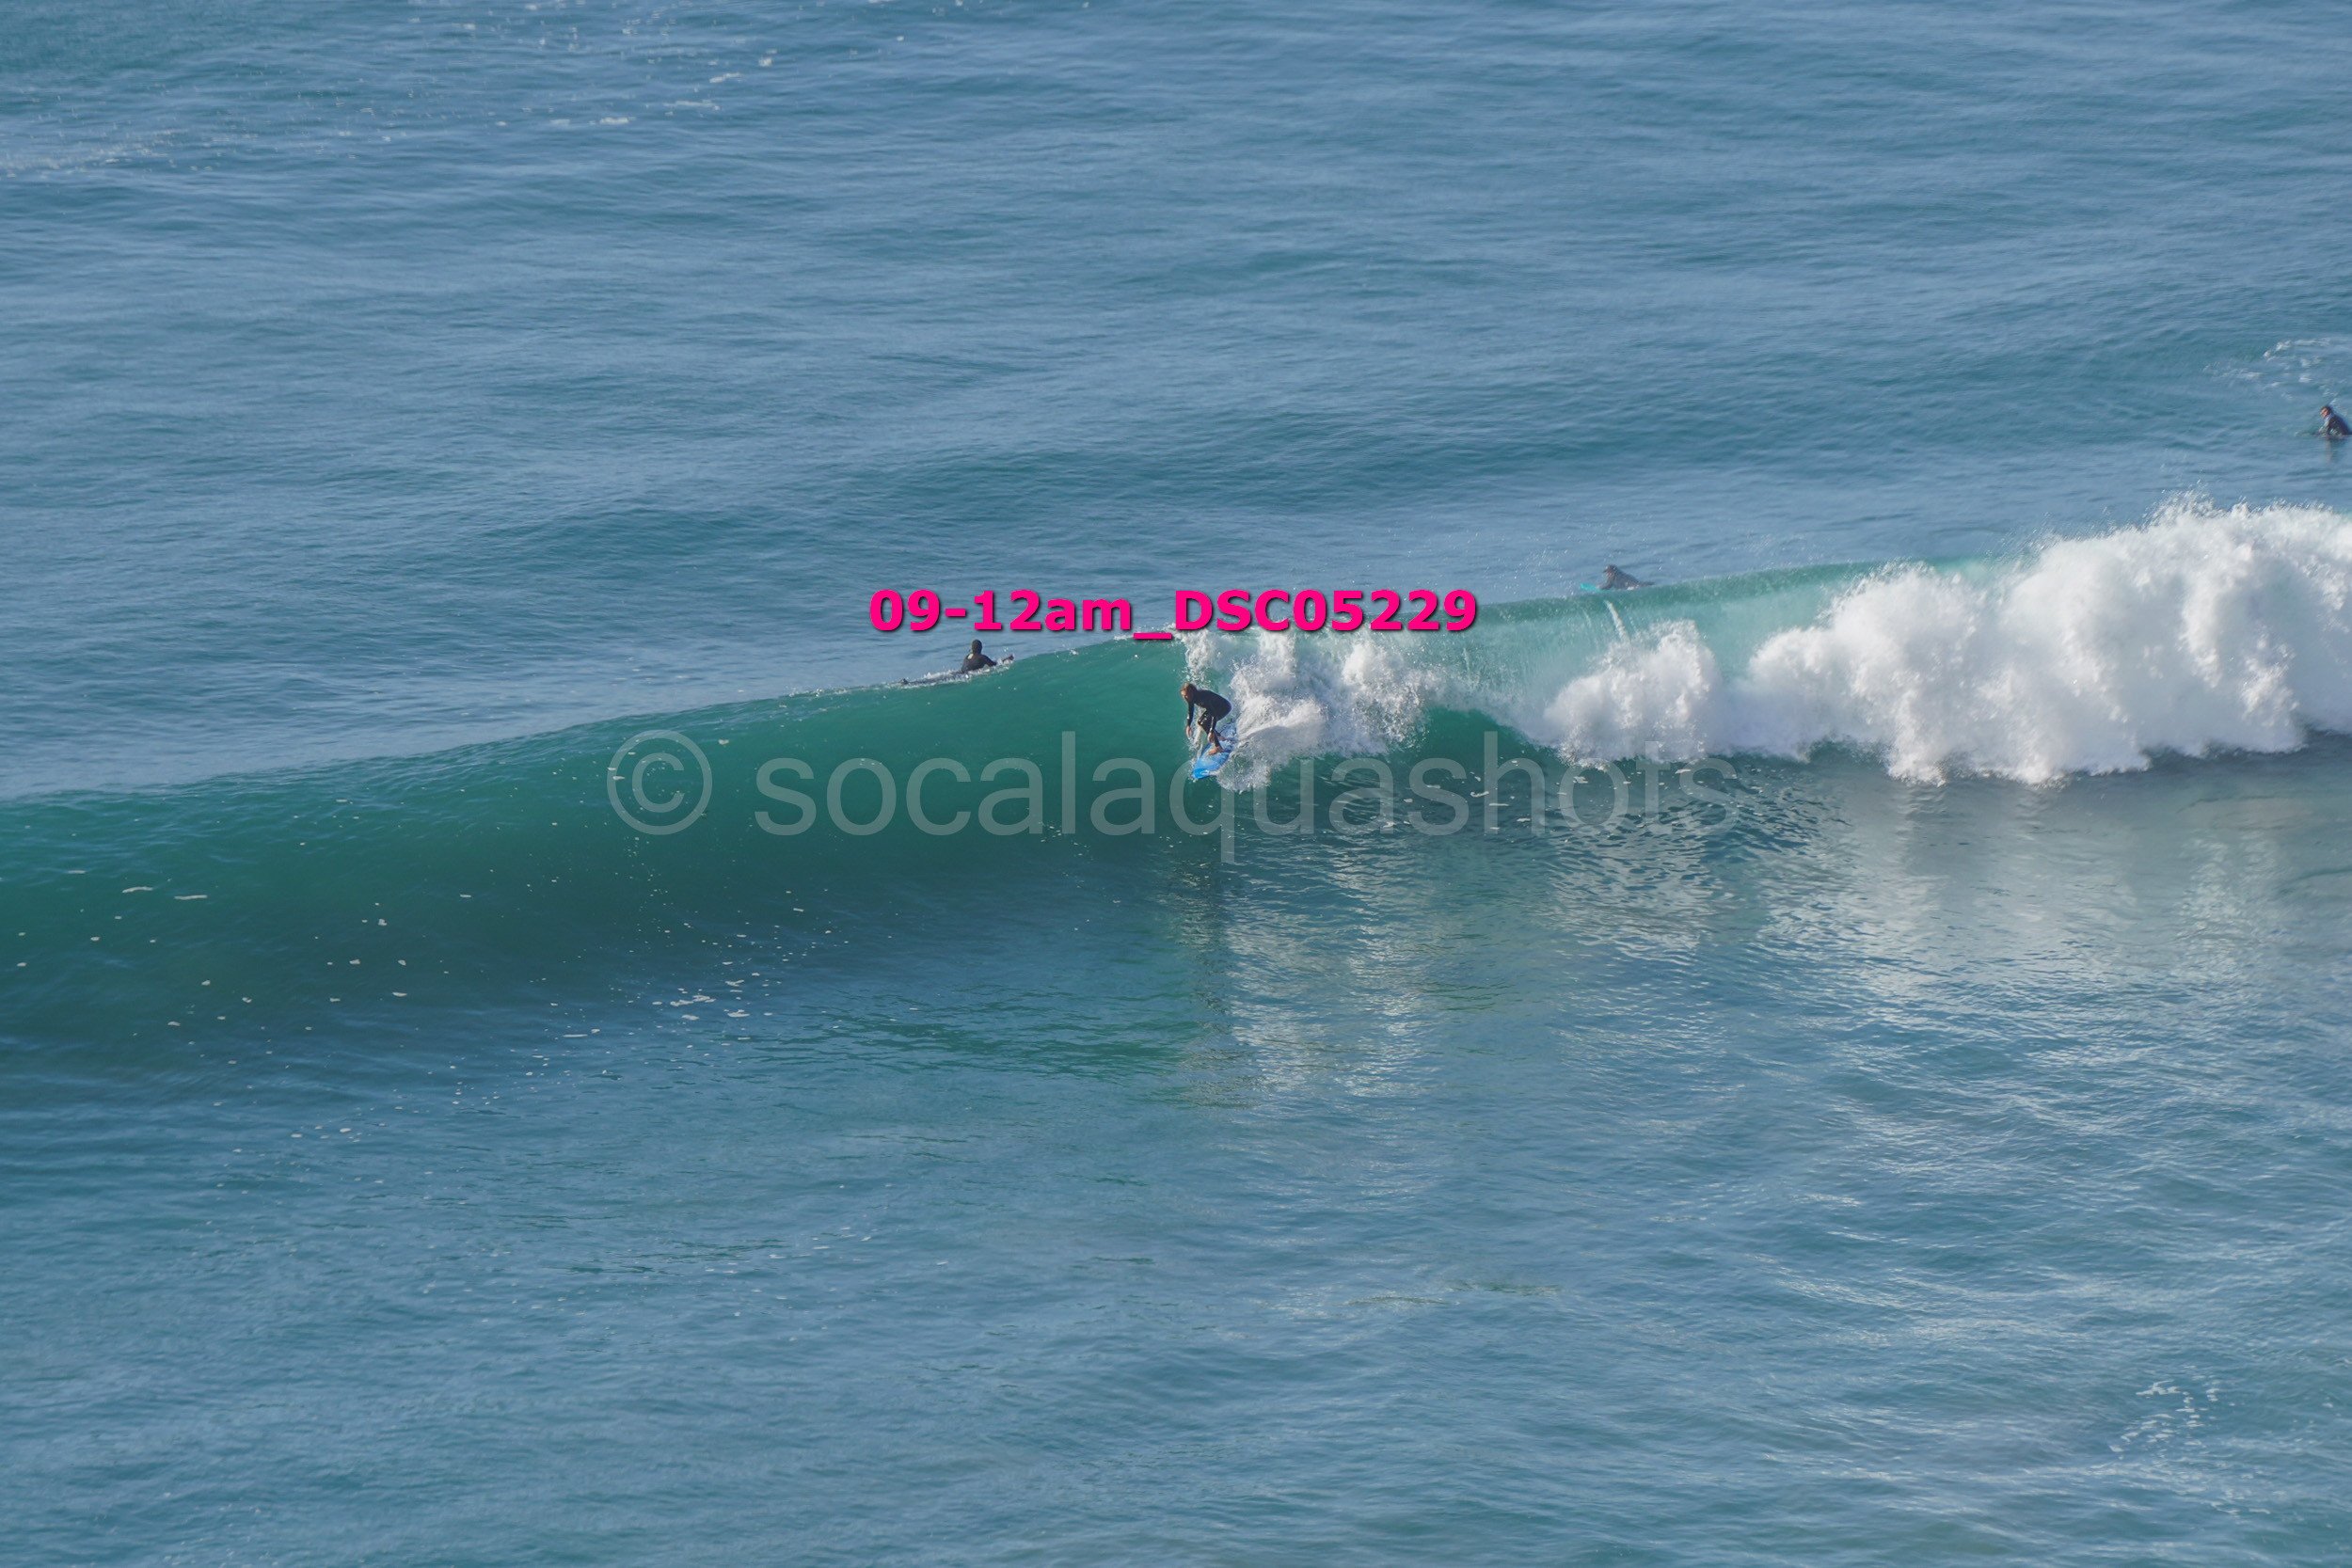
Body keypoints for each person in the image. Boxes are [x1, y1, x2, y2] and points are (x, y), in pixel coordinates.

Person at [1180, 681, 1234, 755]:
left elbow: (1214, 716)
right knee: (1200, 722)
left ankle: (1218, 747)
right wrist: (1188, 725)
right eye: (1183, 696)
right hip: (1216, 707)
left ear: (1191, 693)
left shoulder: (1202, 698)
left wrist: (1211, 731)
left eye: (1185, 695)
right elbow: (1190, 711)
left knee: (1205, 723)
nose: (1184, 698)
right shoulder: (1191, 698)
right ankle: (1219, 737)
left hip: (1224, 707)